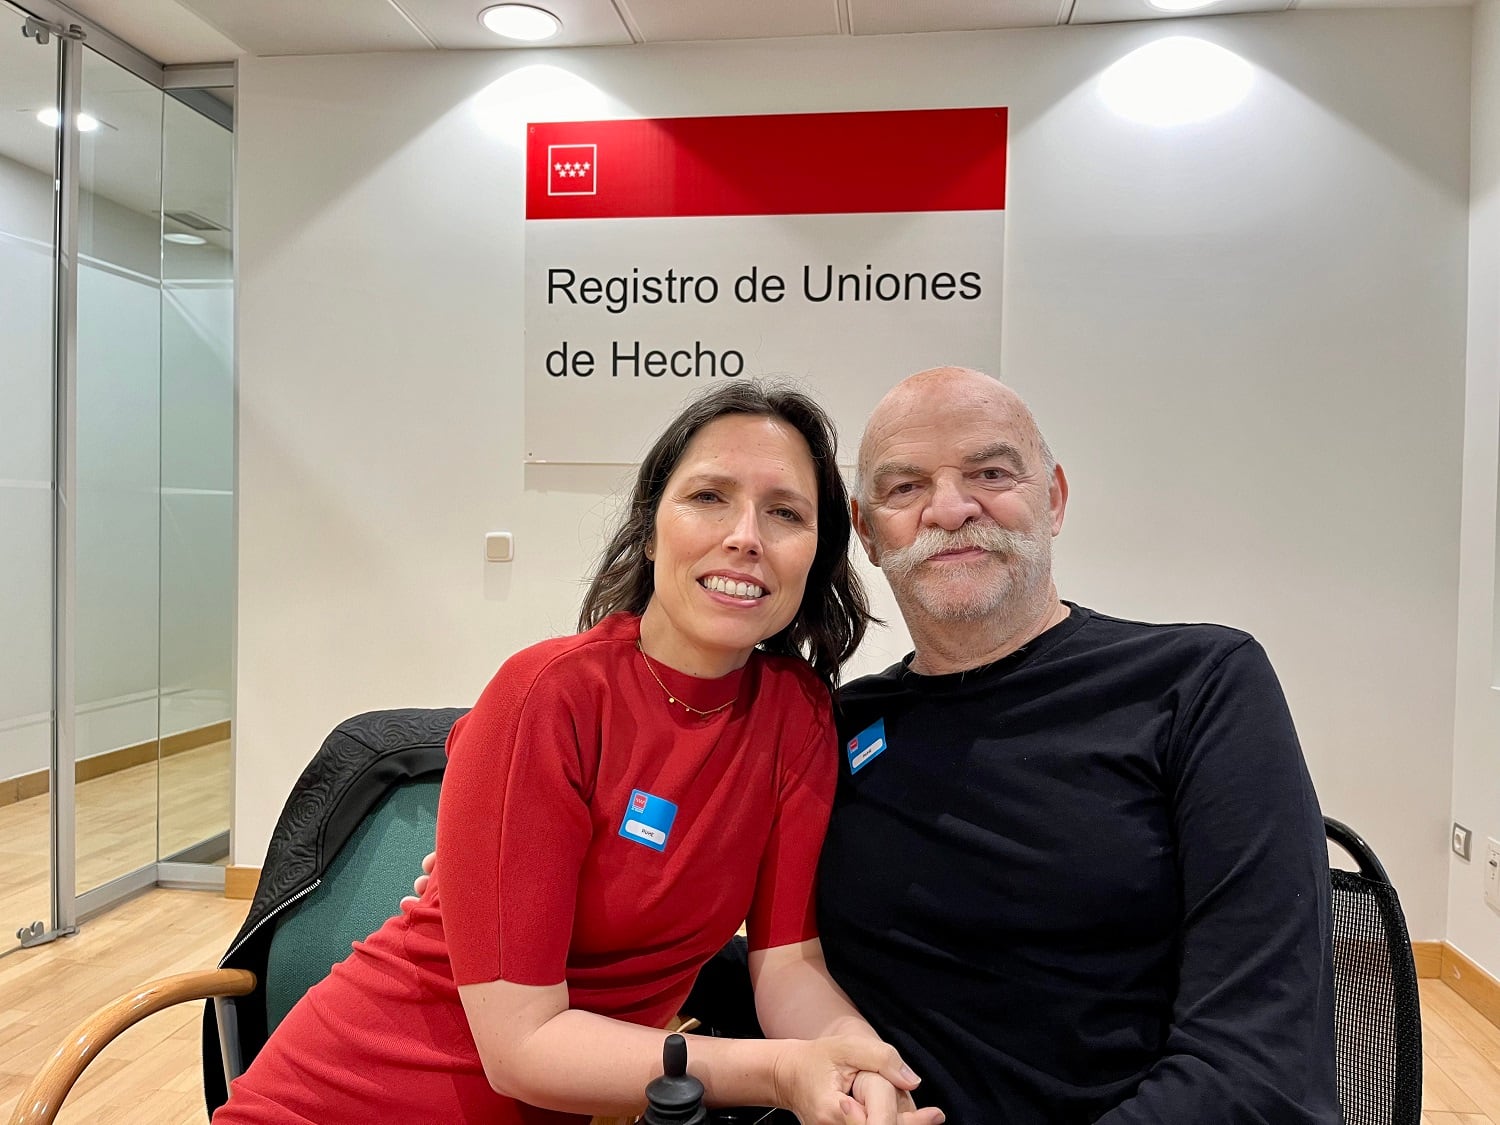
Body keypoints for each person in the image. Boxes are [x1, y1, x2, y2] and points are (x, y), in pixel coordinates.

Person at [214, 382, 946, 1125]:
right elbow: (520, 1048)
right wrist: (782, 1071)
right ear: (651, 529)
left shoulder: (798, 715)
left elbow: (787, 963)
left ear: (818, 551)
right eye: (708, 497)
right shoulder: (547, 695)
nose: (745, 535)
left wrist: (864, 1065)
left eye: (785, 512)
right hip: (335, 1101)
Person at [679, 366, 1343, 1123]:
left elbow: (1257, 1067)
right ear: (866, 532)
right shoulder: (835, 727)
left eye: (990, 473)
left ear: (1053, 498)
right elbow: (795, 963)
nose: (950, 509)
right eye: (905, 487)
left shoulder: (1197, 684)